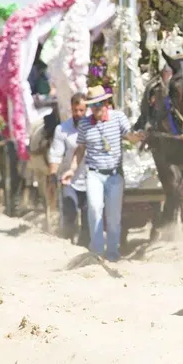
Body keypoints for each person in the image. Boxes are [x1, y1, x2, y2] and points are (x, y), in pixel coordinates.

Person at [60, 86, 145, 261]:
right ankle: (97, 251)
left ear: (106, 103)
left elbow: (129, 136)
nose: (96, 108)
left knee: (113, 216)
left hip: (114, 175)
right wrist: (72, 169)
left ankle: (112, 252)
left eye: (99, 104)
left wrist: (138, 136)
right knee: (94, 209)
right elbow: (80, 149)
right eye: (93, 105)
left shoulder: (118, 118)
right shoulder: (84, 124)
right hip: (94, 174)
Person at [48, 93, 90, 246]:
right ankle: (68, 243)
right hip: (69, 180)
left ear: (87, 110)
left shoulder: (93, 126)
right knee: (70, 212)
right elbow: (56, 154)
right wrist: (53, 176)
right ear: (71, 109)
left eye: (81, 110)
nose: (78, 114)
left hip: (89, 179)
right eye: (75, 110)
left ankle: (85, 248)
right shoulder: (62, 130)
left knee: (88, 216)